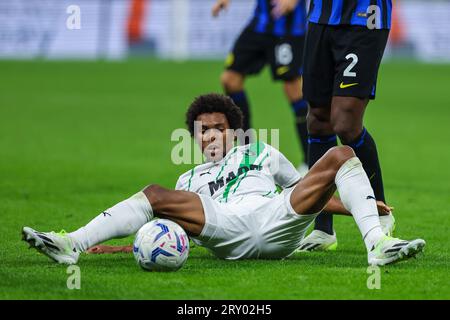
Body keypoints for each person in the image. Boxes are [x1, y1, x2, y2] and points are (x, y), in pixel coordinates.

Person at [22, 94, 424, 266]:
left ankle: (379, 245)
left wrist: (358, 207)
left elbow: (299, 191)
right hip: (225, 228)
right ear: (195, 138)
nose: (211, 135)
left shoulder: (263, 152)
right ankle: (72, 243)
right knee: (155, 194)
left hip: (277, 220)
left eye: (218, 127)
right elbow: (167, 231)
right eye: (203, 131)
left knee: (339, 155)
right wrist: (120, 248)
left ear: (234, 130)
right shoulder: (189, 177)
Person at [298, 0, 395, 251]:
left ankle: (381, 213)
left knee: (345, 122)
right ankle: (322, 228)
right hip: (320, 17)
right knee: (318, 120)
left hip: (364, 18)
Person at [213, 0, 309, 173]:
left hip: (289, 30)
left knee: (293, 90)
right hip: (259, 26)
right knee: (230, 79)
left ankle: (310, 161)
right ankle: (247, 153)